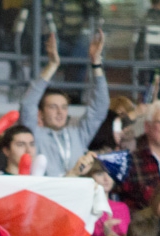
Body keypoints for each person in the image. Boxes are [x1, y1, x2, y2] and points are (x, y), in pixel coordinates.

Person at [18, 30, 109, 178]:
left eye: (64, 107)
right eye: (53, 107)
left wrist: (96, 63)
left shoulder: (78, 135)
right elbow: (27, 104)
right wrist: (52, 65)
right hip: (48, 196)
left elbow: (100, 107)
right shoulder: (35, 134)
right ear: (40, 113)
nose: (60, 112)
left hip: (76, 197)